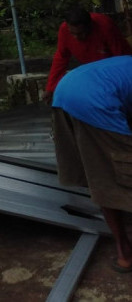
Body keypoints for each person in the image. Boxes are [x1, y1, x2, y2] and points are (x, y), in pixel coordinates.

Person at [51, 55, 132, 272]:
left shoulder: (123, 64)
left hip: (64, 93)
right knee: (122, 173)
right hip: (95, 100)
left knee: (98, 173)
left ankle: (125, 253)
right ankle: (126, 254)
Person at [43, 6, 132, 104]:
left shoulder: (105, 26)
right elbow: (61, 58)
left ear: (89, 26)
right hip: (91, 70)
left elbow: (122, 58)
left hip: (113, 68)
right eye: (73, 33)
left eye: (81, 33)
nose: (76, 37)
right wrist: (51, 88)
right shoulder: (64, 30)